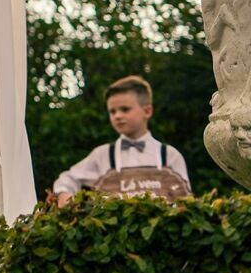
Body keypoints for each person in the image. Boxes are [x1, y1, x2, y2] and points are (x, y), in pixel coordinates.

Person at [51, 75, 190, 201]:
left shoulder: (170, 155)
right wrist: (64, 195)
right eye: (112, 111)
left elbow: (186, 200)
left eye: (125, 109)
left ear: (147, 111)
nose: (117, 116)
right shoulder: (102, 155)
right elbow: (67, 179)